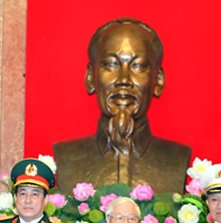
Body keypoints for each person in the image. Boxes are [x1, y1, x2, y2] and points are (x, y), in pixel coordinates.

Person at [53, 18, 191, 195]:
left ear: (158, 80)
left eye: (138, 65)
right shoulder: (66, 157)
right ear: (90, 77)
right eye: (111, 64)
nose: (124, 80)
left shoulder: (176, 159)